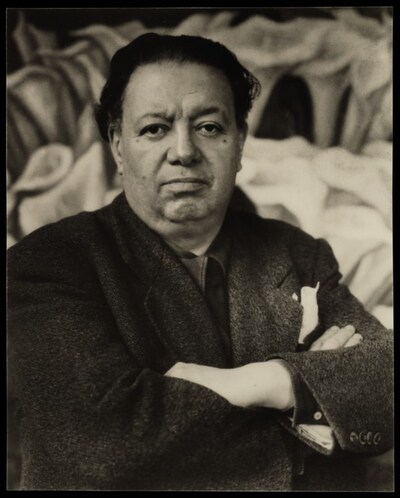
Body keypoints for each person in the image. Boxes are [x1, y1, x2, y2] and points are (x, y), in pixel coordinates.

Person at [7, 33, 393, 491]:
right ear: (118, 146)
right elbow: (105, 446)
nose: (184, 151)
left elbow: (387, 382)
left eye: (209, 127)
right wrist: (309, 392)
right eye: (155, 129)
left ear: (240, 142)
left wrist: (264, 381)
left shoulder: (296, 252)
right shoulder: (46, 263)